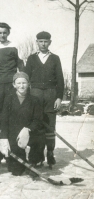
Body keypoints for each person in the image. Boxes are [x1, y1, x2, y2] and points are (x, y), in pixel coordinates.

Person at [0, 22, 24, 164]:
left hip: (10, 84)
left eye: (5, 32)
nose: (2, 35)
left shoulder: (14, 46)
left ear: (8, 33)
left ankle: (11, 150)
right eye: (0, 32)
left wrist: (23, 80)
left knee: (11, 115)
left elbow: (20, 65)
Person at [25, 31, 64, 168]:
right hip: (35, 94)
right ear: (37, 42)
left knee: (50, 124)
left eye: (45, 41)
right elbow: (25, 78)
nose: (43, 44)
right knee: (36, 124)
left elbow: (60, 80)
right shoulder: (31, 59)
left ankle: (50, 152)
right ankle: (38, 155)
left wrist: (59, 97)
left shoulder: (55, 58)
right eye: (40, 41)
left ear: (50, 42)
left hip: (50, 94)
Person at [0, 72, 45, 176]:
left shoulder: (35, 100)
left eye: (24, 83)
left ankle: (33, 162)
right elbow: (4, 120)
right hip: (14, 135)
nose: (21, 86)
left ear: (28, 84)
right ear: (14, 85)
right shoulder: (8, 99)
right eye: (18, 83)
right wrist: (4, 137)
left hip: (29, 133)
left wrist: (28, 129)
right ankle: (19, 162)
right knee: (16, 171)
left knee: (40, 137)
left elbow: (38, 120)